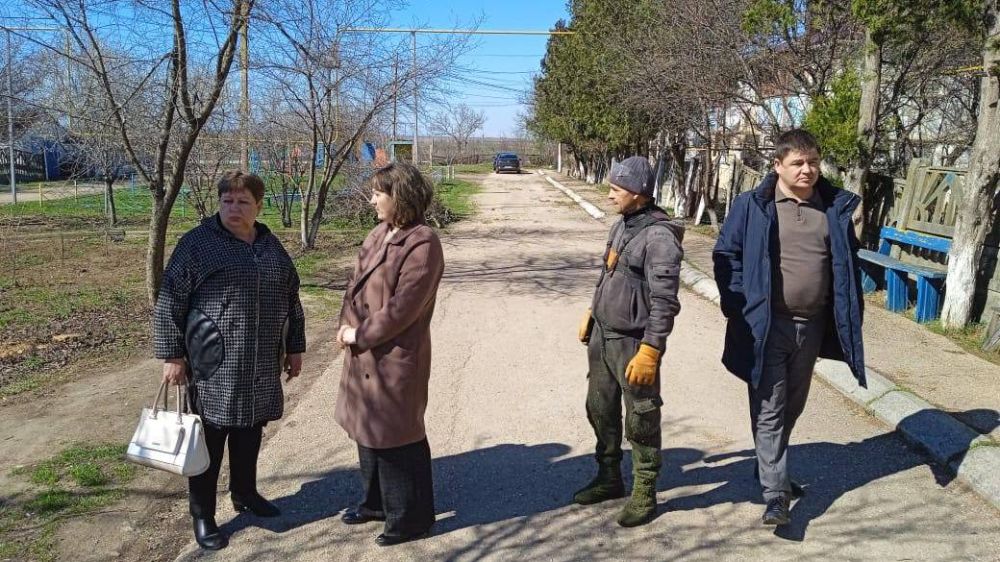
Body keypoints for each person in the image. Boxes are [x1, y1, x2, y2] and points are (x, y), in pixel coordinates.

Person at [712, 129, 866, 526]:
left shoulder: (834, 208)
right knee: (770, 407)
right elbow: (726, 254)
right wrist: (738, 306)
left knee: (792, 406)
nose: (808, 170)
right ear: (777, 165)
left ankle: (767, 466)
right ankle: (776, 493)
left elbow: (844, 265)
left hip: (812, 326)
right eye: (798, 163)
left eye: (813, 161)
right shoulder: (754, 206)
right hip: (766, 325)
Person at [154, 171, 305, 550]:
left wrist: (295, 349)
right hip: (213, 362)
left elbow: (292, 300)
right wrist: (172, 354)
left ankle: (245, 494)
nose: (233, 209)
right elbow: (170, 300)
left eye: (242, 202)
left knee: (250, 431)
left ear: (258, 206)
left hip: (260, 362)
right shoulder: (198, 244)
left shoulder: (271, 247)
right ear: (218, 202)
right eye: (227, 201)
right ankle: (203, 515)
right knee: (209, 439)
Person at [335, 162, 444, 547]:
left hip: (394, 355)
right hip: (364, 353)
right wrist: (345, 324)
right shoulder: (379, 233)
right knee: (368, 431)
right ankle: (376, 503)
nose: (372, 200)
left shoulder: (422, 242)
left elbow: (402, 308)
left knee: (400, 437)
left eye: (378, 193)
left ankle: (411, 518)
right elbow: (354, 286)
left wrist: (359, 334)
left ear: (400, 196)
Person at [574, 156, 684, 527]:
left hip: (634, 344)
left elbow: (665, 302)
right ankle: (609, 478)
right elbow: (607, 273)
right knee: (599, 409)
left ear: (638, 193)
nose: (609, 196)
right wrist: (592, 311)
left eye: (616, 190)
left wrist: (652, 349)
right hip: (603, 336)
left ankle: (645, 491)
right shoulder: (622, 224)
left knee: (641, 418)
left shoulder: (660, 237)